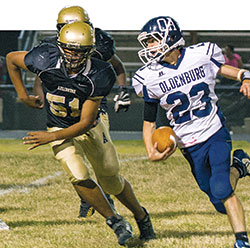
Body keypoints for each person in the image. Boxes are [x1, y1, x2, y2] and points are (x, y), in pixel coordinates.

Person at [6, 21, 155, 245]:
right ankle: (115, 221)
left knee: (111, 180)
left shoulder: (100, 73)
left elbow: (86, 122)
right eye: (69, 50)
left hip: (89, 126)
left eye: (80, 52)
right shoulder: (44, 58)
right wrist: (24, 95)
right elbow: (11, 59)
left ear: (90, 51)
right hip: (57, 122)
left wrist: (51, 137)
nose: (73, 57)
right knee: (77, 173)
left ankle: (142, 216)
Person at [132, 16, 250, 248]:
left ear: (170, 38)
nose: (148, 47)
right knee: (217, 201)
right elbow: (149, 121)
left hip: (214, 130)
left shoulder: (200, 55)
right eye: (147, 43)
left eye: (153, 41)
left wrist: (244, 75)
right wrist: (150, 150)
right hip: (187, 143)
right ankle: (239, 166)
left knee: (221, 188)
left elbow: (223, 68)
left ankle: (242, 241)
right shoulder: (149, 77)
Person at [33, 5, 131, 219]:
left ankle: (107, 198)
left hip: (92, 106)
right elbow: (41, 73)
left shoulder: (99, 44)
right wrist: (36, 91)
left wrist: (123, 90)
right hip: (63, 109)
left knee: (101, 160)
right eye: (65, 27)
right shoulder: (53, 48)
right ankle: (88, 198)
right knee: (74, 163)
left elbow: (118, 66)